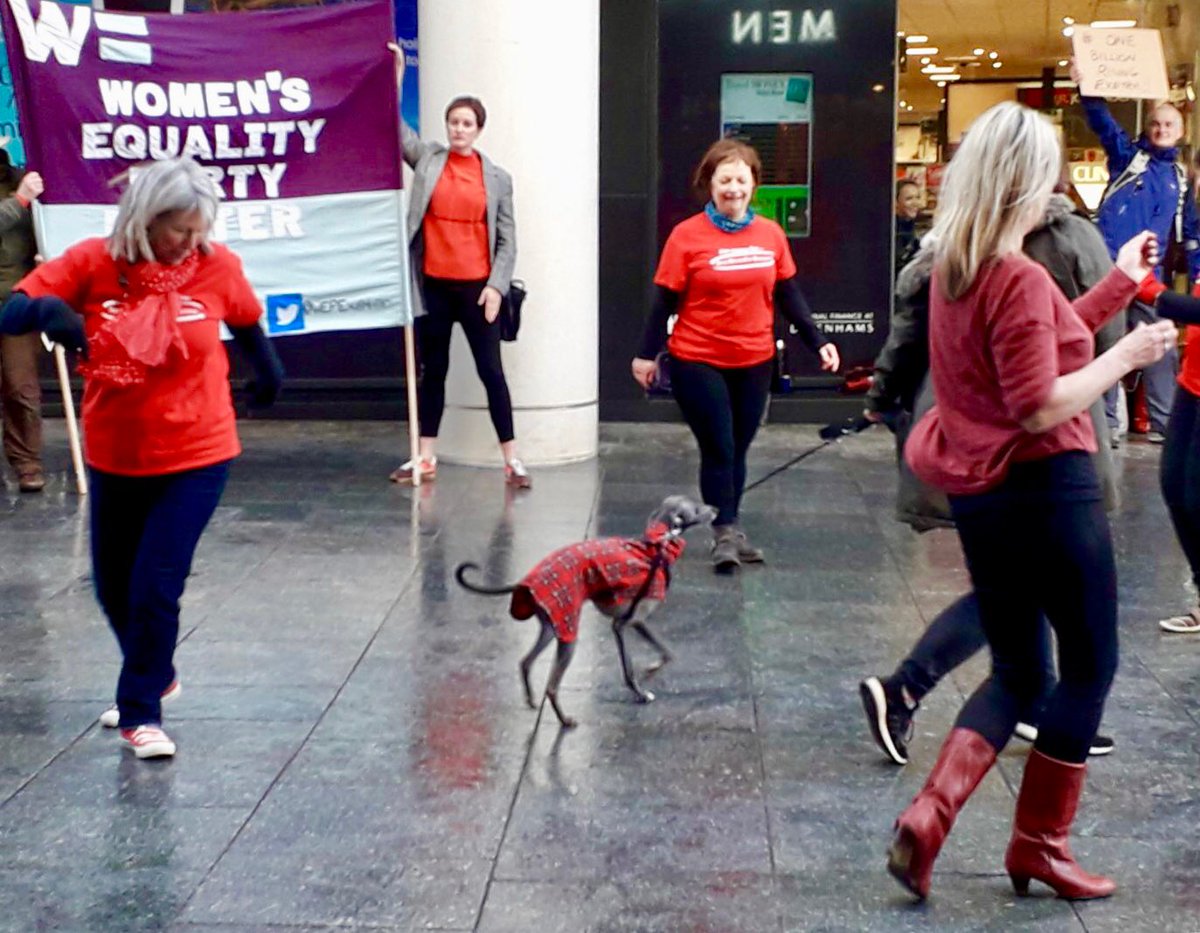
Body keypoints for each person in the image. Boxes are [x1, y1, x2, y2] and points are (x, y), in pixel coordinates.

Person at [885, 102, 1172, 902]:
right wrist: (1132, 356)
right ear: (1026, 176)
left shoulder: (960, 266)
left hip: (985, 496)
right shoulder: (1012, 274)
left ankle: (929, 816)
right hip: (1050, 487)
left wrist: (1116, 284)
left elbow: (1039, 341)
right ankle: (1040, 845)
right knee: (1089, 668)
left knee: (1017, 671)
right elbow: (1041, 400)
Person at [0, 157, 283, 759]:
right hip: (117, 451)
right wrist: (55, 313)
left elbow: (251, 325)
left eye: (198, 227)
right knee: (111, 585)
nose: (191, 241)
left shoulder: (214, 268)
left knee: (157, 584)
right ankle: (155, 668)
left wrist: (268, 376)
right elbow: (13, 310)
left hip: (199, 449)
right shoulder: (94, 263)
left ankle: (140, 712)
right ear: (145, 220)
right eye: (179, 228)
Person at [859, 188, 1123, 765]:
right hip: (1038, 462)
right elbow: (1043, 392)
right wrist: (1122, 360)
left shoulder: (949, 253)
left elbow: (910, 338)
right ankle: (910, 685)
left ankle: (941, 775)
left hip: (967, 453)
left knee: (1015, 627)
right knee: (1056, 636)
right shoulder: (1043, 254)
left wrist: (881, 396)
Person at [631, 138, 839, 573]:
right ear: (709, 184)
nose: (733, 188)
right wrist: (645, 355)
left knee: (739, 449)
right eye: (724, 180)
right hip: (697, 357)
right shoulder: (686, 236)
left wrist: (818, 341)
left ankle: (730, 525)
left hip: (755, 360)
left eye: (741, 180)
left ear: (753, 185)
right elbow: (663, 301)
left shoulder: (770, 234)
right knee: (720, 446)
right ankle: (724, 531)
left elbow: (789, 294)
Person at [385, 43, 527, 490]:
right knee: (435, 372)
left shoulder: (497, 178)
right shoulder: (429, 160)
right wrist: (397, 79)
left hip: (477, 290)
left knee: (491, 373)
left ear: (479, 129)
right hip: (434, 287)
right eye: (453, 122)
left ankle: (512, 460)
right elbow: (396, 132)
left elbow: (507, 238)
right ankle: (425, 457)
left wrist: (497, 287)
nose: (458, 129)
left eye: (466, 123)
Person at [1075, 63, 1200, 443]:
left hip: (1149, 275)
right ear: (1148, 128)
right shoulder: (1127, 157)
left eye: (1169, 126)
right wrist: (1085, 87)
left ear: (1181, 132)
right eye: (1156, 124)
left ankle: (1163, 424)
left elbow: (1191, 231)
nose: (1162, 130)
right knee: (1109, 345)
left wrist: (1196, 275)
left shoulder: (1181, 177)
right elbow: (1101, 121)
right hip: (1110, 269)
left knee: (1160, 348)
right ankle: (1109, 424)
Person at [0, 151, 45, 492]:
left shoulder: (25, 180)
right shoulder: (23, 191)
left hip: (16, 300)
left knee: (21, 387)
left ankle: (27, 463)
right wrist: (20, 202)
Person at [894, 178, 922, 276]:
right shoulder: (892, 231)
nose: (915, 203)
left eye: (917, 197)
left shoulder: (917, 229)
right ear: (895, 202)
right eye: (909, 198)